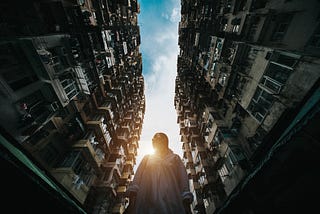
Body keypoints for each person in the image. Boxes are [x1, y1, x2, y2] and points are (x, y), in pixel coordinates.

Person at [124, 132, 193, 214]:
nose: (154, 141)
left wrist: (186, 203)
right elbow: (137, 179)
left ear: (165, 141)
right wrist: (132, 202)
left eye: (158, 138)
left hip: (171, 202)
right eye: (154, 139)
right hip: (146, 201)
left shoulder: (175, 158)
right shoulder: (147, 158)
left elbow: (183, 181)